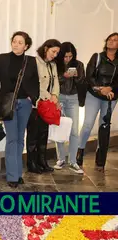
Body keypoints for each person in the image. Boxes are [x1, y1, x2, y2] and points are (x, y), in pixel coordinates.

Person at [0, 31, 39, 188]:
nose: (16, 44)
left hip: (25, 103)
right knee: (12, 138)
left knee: (20, 138)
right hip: (7, 103)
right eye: (14, 41)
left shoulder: (30, 61)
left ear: (26, 46)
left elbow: (36, 82)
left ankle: (18, 173)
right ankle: (12, 176)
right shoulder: (2, 58)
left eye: (20, 42)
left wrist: (33, 98)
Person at [77, 32, 118, 172]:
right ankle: (79, 151)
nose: (111, 41)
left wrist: (110, 88)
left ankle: (100, 158)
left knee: (104, 127)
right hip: (94, 94)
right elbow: (90, 76)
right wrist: (101, 89)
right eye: (109, 39)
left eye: (115, 40)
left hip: (110, 97)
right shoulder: (97, 57)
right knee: (88, 124)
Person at [26, 39, 61, 174]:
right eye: (53, 51)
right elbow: (35, 84)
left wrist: (55, 95)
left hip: (48, 105)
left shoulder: (52, 64)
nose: (55, 55)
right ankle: (31, 163)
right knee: (33, 135)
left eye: (57, 52)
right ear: (46, 48)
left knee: (43, 134)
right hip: (36, 104)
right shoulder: (34, 62)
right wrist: (49, 96)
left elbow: (56, 81)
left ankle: (42, 161)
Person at [53, 42, 85, 174]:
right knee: (60, 128)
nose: (67, 59)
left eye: (70, 56)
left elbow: (82, 81)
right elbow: (53, 81)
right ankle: (60, 158)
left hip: (73, 97)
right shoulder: (56, 64)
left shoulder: (79, 64)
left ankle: (73, 161)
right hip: (59, 97)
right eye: (65, 56)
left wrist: (76, 76)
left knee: (74, 130)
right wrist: (63, 77)